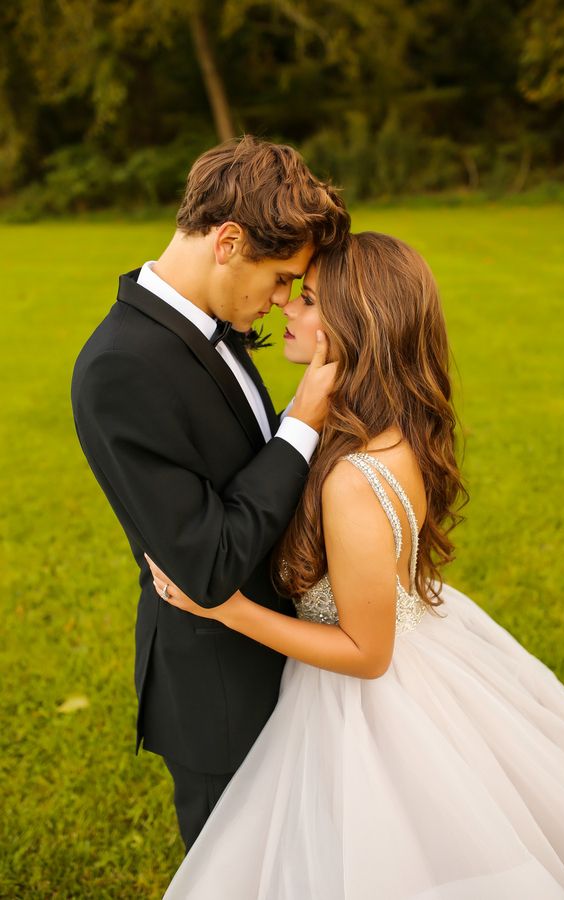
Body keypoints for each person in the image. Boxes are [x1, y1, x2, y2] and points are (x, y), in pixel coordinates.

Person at [147, 232, 564, 899]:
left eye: (304, 300)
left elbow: (366, 652)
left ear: (353, 326)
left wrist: (226, 607)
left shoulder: (352, 479)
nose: (286, 311)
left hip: (364, 701)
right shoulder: (387, 425)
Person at [71, 136, 350, 851]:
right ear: (228, 241)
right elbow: (208, 562)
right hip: (219, 688)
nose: (284, 300)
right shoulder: (120, 369)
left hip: (283, 656)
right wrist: (302, 425)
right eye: (283, 277)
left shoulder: (213, 324)